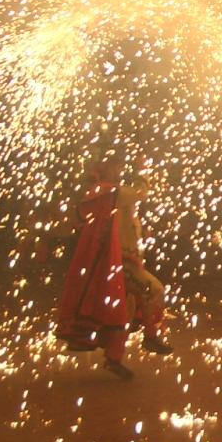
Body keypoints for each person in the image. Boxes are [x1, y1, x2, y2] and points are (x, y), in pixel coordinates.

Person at [55, 156, 171, 379]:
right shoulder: (109, 192)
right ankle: (150, 336)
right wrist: (143, 171)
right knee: (152, 290)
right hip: (119, 263)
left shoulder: (108, 193)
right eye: (115, 165)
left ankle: (114, 358)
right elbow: (139, 193)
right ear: (105, 168)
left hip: (118, 262)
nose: (119, 168)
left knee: (123, 311)